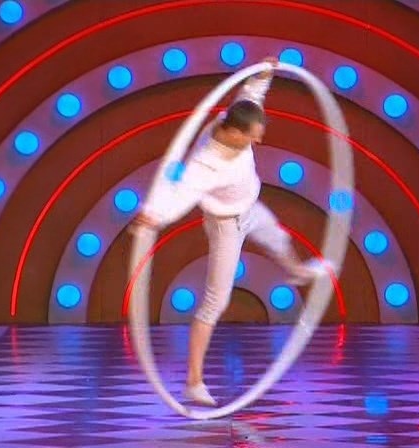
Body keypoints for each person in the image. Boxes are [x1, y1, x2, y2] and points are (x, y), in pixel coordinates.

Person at [131, 56, 332, 405]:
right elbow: (181, 192)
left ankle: (298, 272)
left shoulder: (237, 119)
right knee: (216, 302)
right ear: (236, 133)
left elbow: (250, 95)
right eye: (253, 137)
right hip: (226, 225)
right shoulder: (205, 163)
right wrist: (154, 216)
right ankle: (193, 382)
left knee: (280, 239)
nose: (258, 142)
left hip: (250, 208)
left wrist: (264, 74)